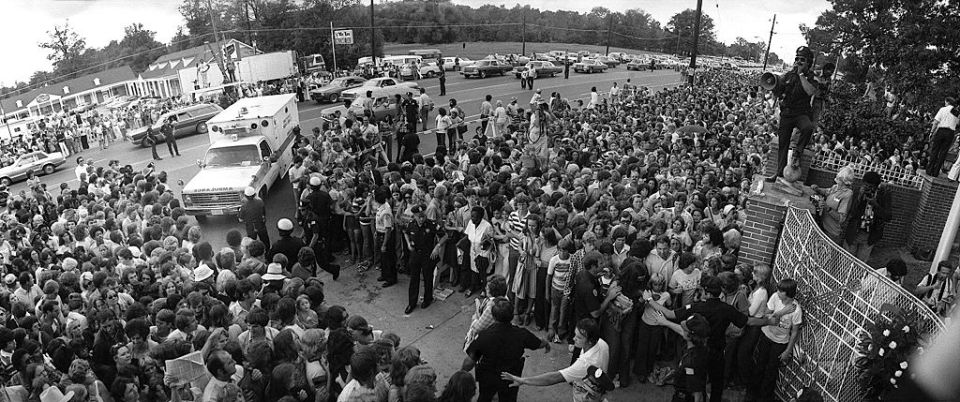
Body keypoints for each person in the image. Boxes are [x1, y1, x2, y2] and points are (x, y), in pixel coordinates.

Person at [649, 275, 793, 402]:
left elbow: (669, 314)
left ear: (706, 292)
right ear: (721, 291)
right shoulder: (726, 309)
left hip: (698, 351)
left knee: (696, 383)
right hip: (717, 352)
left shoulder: (697, 307)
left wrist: (649, 299)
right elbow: (749, 321)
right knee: (717, 382)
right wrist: (768, 321)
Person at [500, 318, 610, 402]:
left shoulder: (585, 363)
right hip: (596, 393)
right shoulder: (601, 343)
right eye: (575, 335)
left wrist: (523, 380)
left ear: (590, 341)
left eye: (579, 337)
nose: (573, 338)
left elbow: (553, 378)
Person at [463, 297, 549, 402]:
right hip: (510, 377)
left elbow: (469, 361)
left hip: (488, 378)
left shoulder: (484, 336)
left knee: (485, 397)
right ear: (512, 316)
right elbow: (538, 343)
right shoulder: (521, 334)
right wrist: (546, 343)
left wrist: (461, 372)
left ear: (493, 317)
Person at [765, 46, 822, 183]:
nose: (798, 62)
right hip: (787, 114)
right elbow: (779, 90)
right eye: (797, 59)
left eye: (802, 60)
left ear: (809, 62)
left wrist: (801, 75)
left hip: (801, 113)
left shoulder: (812, 77)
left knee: (807, 128)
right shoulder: (789, 75)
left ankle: (798, 151)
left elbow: (810, 91)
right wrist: (775, 86)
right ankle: (778, 174)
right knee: (783, 145)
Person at [746, 279, 803, 402]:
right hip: (767, 335)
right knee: (759, 365)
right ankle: (751, 393)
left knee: (771, 371)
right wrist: (781, 312)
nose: (777, 292)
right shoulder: (775, 298)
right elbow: (766, 314)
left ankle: (764, 397)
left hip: (780, 342)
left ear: (787, 293)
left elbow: (794, 332)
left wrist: (788, 350)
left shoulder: (796, 310)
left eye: (780, 291)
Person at [651, 312, 710, 402]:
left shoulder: (691, 363)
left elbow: (697, 393)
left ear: (690, 335)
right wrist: (664, 322)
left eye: (685, 329)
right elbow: (682, 331)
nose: (682, 329)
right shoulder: (701, 346)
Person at [843, 171, 892, 262]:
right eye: (866, 186)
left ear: (877, 186)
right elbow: (851, 212)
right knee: (846, 261)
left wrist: (875, 205)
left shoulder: (883, 195)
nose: (868, 189)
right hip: (854, 232)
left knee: (860, 265)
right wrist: (859, 198)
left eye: (871, 187)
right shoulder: (858, 191)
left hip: (869, 235)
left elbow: (888, 217)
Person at [404, 205, 440, 314]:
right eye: (418, 217)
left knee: (427, 277)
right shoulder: (411, 224)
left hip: (427, 255)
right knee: (414, 279)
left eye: (423, 216)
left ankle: (427, 299)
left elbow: (444, 236)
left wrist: (437, 247)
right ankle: (412, 303)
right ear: (414, 216)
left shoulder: (431, 224)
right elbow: (405, 232)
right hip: (415, 254)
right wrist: (408, 243)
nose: (421, 219)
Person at [811, 165, 854, 245]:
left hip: (832, 232)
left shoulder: (847, 194)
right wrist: (818, 189)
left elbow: (841, 218)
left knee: (825, 255)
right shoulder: (836, 187)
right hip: (823, 225)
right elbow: (827, 191)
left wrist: (828, 208)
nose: (837, 178)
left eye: (839, 178)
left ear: (844, 180)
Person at [925, 96, 959, 178]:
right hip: (950, 132)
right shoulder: (956, 112)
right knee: (943, 153)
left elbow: (936, 122)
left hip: (941, 130)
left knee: (935, 150)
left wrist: (932, 132)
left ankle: (929, 170)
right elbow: (958, 123)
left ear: (947, 102)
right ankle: (936, 172)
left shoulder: (942, 109)